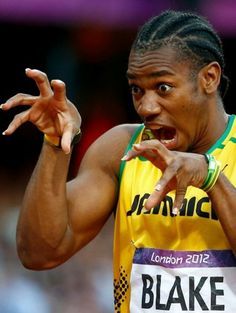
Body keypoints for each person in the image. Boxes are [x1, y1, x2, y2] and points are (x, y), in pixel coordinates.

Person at [1, 9, 236, 313]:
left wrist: (212, 177)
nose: (147, 106)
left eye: (163, 87)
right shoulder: (121, 150)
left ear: (209, 78)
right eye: (137, 89)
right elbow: (38, 253)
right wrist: (55, 144)